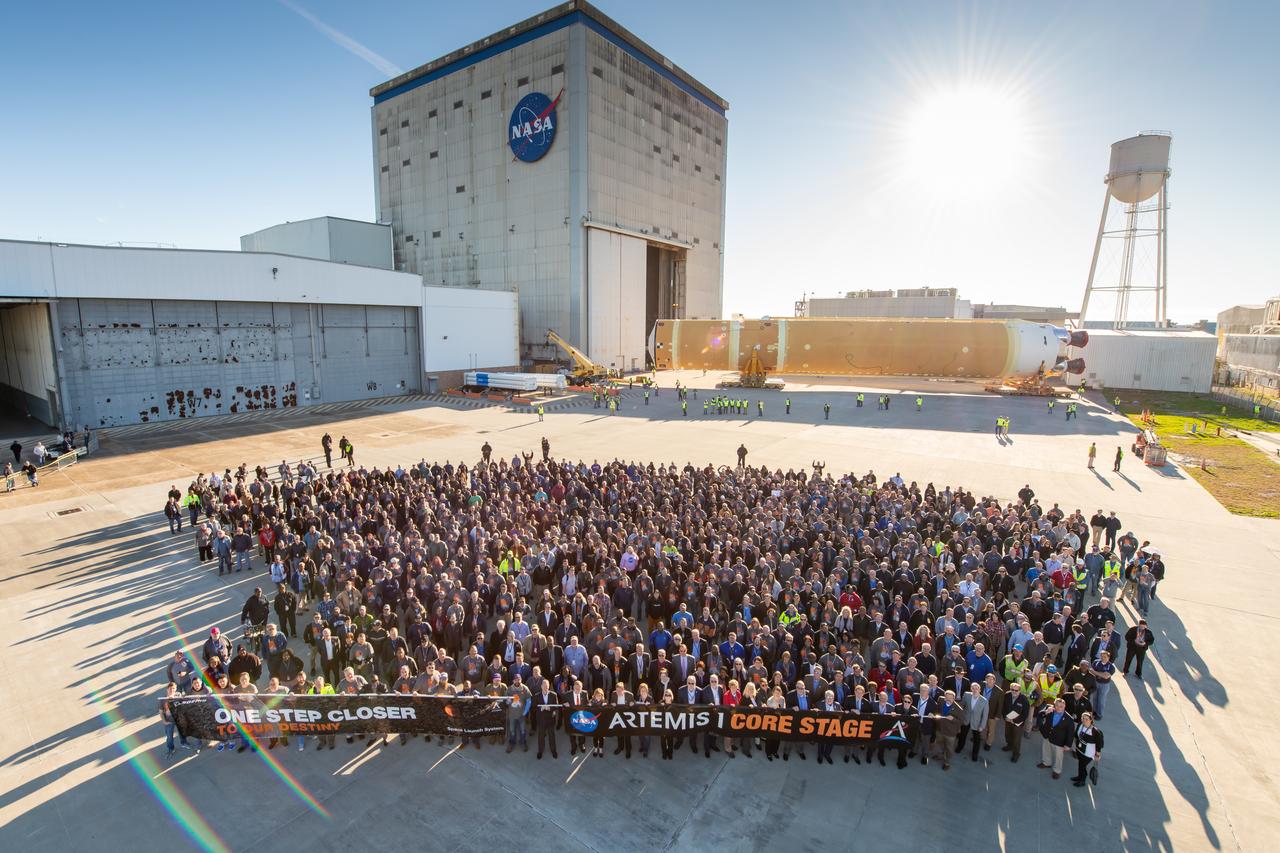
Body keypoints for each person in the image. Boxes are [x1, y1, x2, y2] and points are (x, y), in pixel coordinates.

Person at [1035, 697, 1074, 779]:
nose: (1058, 708)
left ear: (1064, 707)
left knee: (1058, 757)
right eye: (1057, 706)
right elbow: (1039, 715)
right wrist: (1046, 712)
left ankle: (1057, 771)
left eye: (1061, 706)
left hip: (1059, 741)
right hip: (1047, 736)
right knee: (1046, 750)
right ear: (1054, 705)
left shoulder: (1069, 719)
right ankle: (1046, 763)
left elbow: (1070, 733)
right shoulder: (1049, 709)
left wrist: (1068, 745)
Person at [1070, 711, 1104, 787]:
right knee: (1080, 764)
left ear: (1091, 720)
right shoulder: (1080, 725)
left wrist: (1097, 755)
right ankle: (1079, 777)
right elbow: (1076, 735)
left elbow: (1099, 744)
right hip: (1079, 750)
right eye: (1083, 718)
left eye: (1087, 719)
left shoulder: (1095, 731)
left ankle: (1082, 781)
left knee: (1082, 766)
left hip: (1088, 753)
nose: (1084, 720)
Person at [1001, 681, 1031, 762]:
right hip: (1007, 720)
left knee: (1016, 739)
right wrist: (1005, 717)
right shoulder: (1007, 695)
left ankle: (1016, 754)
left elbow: (1025, 714)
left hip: (1018, 723)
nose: (1014, 691)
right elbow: (1003, 707)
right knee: (1007, 734)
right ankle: (1009, 745)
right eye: (1012, 689)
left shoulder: (1024, 700)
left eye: (1016, 690)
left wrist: (1014, 720)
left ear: (1020, 691)